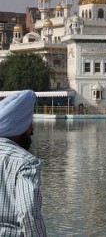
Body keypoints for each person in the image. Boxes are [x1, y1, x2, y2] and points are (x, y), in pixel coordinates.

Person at [0, 90, 46, 236]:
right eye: (29, 124)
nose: (32, 130)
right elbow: (28, 212)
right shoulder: (25, 162)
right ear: (19, 126)